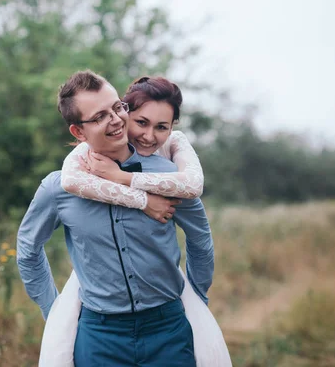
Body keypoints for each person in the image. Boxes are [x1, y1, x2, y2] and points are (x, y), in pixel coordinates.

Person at [17, 70, 215, 366]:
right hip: (98, 337)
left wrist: (196, 298)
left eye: (117, 108)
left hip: (168, 330)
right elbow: (28, 250)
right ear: (78, 132)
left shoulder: (169, 177)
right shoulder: (58, 188)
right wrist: (53, 308)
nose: (115, 120)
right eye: (99, 117)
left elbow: (200, 239)